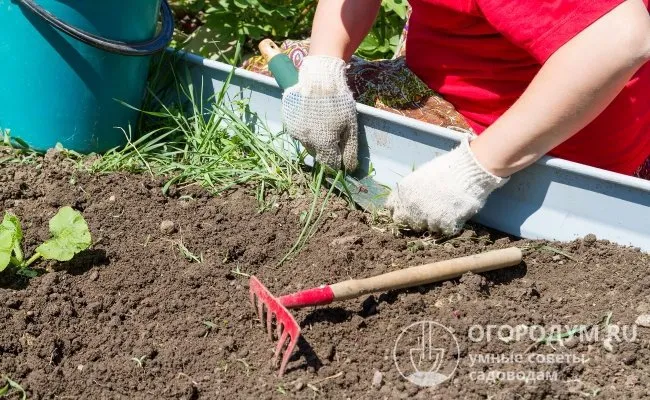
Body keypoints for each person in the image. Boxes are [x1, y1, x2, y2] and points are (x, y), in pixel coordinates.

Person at [281, 0, 650, 235]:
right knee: (300, 59)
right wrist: (322, 70)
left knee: (273, 68)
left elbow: (622, 39)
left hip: (556, 139)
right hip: (479, 69)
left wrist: (473, 170)